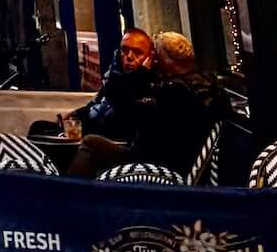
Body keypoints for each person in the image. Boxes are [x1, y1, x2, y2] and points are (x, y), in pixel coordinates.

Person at [72, 32, 229, 178]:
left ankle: (68, 196)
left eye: (154, 56)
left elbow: (116, 96)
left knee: (91, 143)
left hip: (157, 167)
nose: (152, 61)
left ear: (163, 60)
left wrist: (142, 72)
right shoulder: (205, 84)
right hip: (171, 158)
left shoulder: (173, 93)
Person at [49, 29, 154, 143]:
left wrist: (141, 74)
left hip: (106, 141)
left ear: (149, 58)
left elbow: (117, 103)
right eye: (124, 50)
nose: (129, 56)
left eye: (137, 52)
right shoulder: (114, 77)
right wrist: (77, 115)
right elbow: (97, 103)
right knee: (40, 127)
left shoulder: (148, 85)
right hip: (89, 130)